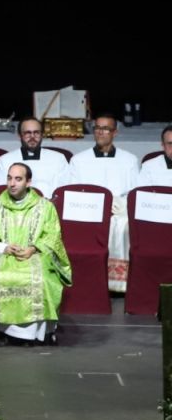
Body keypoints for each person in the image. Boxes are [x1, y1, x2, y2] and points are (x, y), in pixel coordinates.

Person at [0, 162, 72, 343]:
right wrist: (3, 247)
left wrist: (33, 248)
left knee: (40, 279)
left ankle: (33, 333)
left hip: (35, 254)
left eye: (18, 179)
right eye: (9, 178)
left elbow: (53, 237)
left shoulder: (45, 207)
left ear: (28, 182)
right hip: (2, 253)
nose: (12, 183)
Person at [67, 115, 138, 292]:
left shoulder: (129, 160)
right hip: (88, 210)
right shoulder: (79, 160)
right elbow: (73, 191)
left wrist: (119, 204)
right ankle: (89, 282)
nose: (100, 132)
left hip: (120, 210)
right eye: (97, 128)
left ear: (115, 132)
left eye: (106, 128)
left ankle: (118, 284)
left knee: (123, 224)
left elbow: (135, 192)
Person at [0, 118, 71, 195]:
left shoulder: (58, 159)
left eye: (36, 133)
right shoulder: (5, 160)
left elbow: (65, 192)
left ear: (42, 135)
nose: (32, 137)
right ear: (20, 135)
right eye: (28, 133)